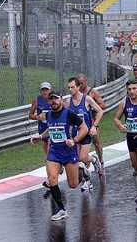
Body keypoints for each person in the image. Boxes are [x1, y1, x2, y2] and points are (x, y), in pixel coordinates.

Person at [30, 90, 91, 220]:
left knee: (73, 184)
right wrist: (40, 136)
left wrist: (74, 140)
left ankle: (82, 171)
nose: (54, 101)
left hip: (69, 151)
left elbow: (84, 128)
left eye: (56, 99)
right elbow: (50, 129)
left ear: (61, 100)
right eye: (51, 99)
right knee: (52, 179)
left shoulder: (69, 113)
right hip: (55, 151)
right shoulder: (49, 115)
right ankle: (61, 209)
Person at [64, 77, 103, 190]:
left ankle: (94, 159)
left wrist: (94, 126)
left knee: (82, 158)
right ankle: (87, 181)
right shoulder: (68, 102)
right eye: (69, 88)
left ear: (78, 87)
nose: (70, 90)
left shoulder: (87, 99)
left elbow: (100, 111)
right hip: (75, 135)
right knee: (77, 161)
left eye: (72, 87)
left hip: (86, 133)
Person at [77, 74, 106, 175]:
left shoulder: (92, 92)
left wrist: (91, 107)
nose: (80, 85)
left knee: (96, 143)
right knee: (81, 145)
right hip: (80, 124)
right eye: (78, 84)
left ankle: (100, 161)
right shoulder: (76, 93)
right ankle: (86, 162)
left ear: (86, 81)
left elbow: (102, 105)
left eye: (82, 83)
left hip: (92, 121)